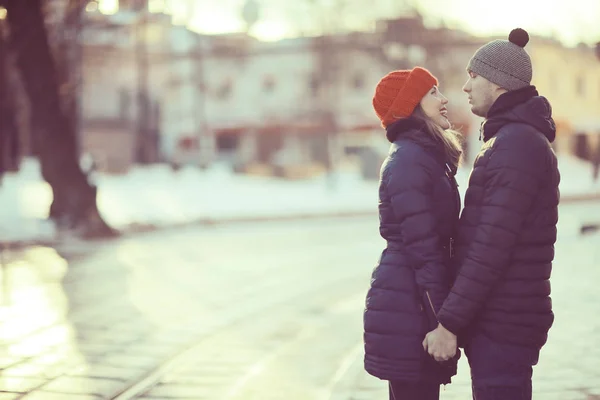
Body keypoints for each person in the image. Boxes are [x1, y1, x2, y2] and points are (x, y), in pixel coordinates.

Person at [423, 28, 561, 400]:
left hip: (504, 321)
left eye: (474, 76)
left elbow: (490, 247)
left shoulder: (516, 145)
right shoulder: (512, 139)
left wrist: (449, 322)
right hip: (502, 317)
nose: (465, 87)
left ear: (499, 83)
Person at [363, 66, 463, 400]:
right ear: (411, 105)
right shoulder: (410, 160)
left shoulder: (424, 156)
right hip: (412, 308)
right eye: (433, 92)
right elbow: (424, 250)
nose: (444, 98)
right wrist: (442, 322)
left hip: (414, 302)